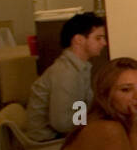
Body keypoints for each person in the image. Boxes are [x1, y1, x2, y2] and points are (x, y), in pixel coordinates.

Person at [25, 12, 107, 141]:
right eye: (98, 38)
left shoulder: (80, 67)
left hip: (62, 134)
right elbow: (61, 124)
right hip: (50, 141)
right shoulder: (65, 73)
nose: (104, 43)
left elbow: (83, 104)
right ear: (78, 40)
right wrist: (92, 121)